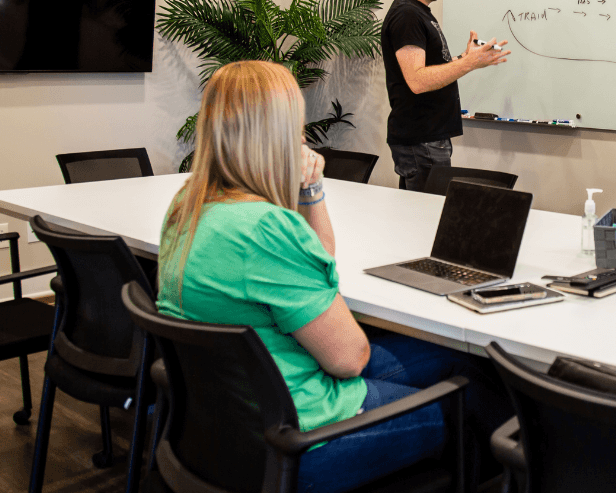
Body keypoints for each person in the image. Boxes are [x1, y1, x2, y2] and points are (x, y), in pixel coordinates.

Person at [156, 61, 510, 492]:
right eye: (295, 126)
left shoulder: (189, 207)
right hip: (305, 441)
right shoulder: (265, 229)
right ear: (270, 136)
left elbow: (314, 261)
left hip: (232, 423)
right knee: (470, 392)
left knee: (457, 358)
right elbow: (349, 359)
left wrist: (311, 191)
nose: (303, 137)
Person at [383, 0, 511, 191]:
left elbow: (429, 70)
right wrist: (469, 64)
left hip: (429, 138)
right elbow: (417, 81)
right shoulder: (407, 15)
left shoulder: (419, 12)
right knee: (425, 221)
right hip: (421, 140)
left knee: (420, 218)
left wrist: (466, 58)